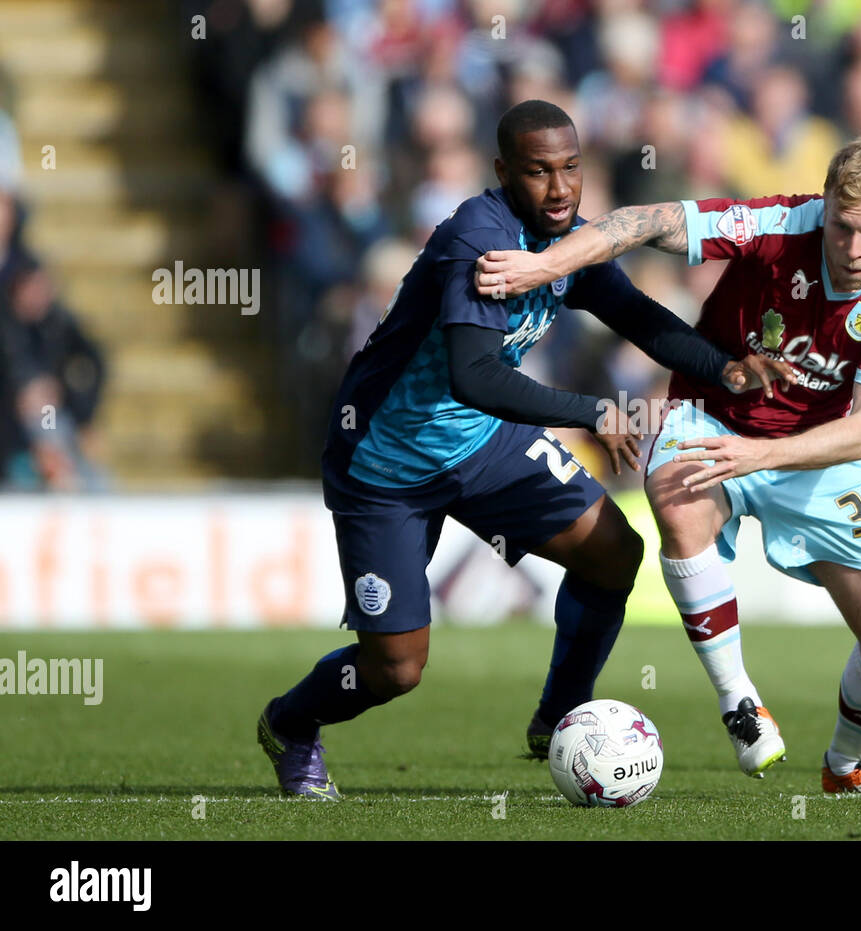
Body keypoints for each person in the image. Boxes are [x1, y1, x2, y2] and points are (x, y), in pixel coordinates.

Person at [257, 99, 787, 799]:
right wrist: (594, 411)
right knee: (395, 669)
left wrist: (725, 368)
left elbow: (633, 313)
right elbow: (474, 375)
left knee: (612, 552)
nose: (562, 188)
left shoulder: (566, 237)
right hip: (386, 463)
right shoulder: (479, 240)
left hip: (483, 445)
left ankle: (559, 716)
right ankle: (290, 723)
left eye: (572, 168)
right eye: (540, 172)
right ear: (505, 172)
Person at [477, 138, 861, 796]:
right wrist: (539, 265)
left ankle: (850, 768)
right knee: (675, 487)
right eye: (842, 224)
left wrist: (762, 455)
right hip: (714, 416)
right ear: (824, 207)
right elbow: (642, 221)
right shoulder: (780, 224)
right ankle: (740, 703)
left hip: (815, 453)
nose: (854, 246)